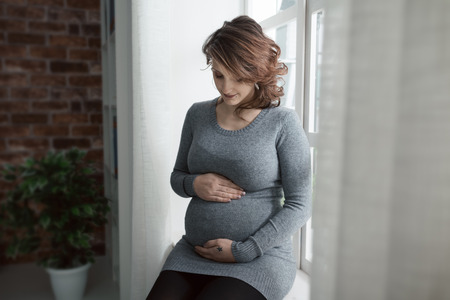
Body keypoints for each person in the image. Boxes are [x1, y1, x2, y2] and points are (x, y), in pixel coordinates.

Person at [146, 15, 311, 300]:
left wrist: (243, 250)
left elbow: (301, 204)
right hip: (192, 254)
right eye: (218, 74)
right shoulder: (197, 114)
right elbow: (177, 177)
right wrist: (193, 184)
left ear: (257, 70)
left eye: (237, 76)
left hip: (259, 259)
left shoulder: (282, 122)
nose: (225, 87)